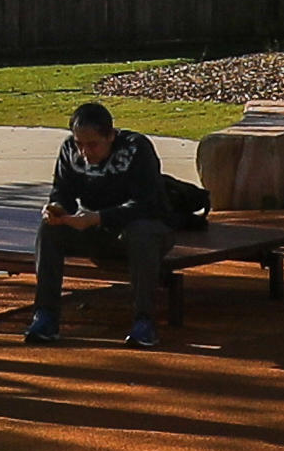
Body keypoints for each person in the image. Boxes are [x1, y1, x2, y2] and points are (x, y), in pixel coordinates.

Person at [24, 100, 204, 347]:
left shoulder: (136, 148)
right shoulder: (69, 150)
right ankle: (45, 316)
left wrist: (98, 218)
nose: (85, 152)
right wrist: (57, 209)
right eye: (79, 144)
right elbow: (63, 192)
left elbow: (148, 205)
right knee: (49, 230)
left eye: (93, 144)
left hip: (147, 228)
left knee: (141, 231)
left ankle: (144, 322)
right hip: (99, 230)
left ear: (110, 135)